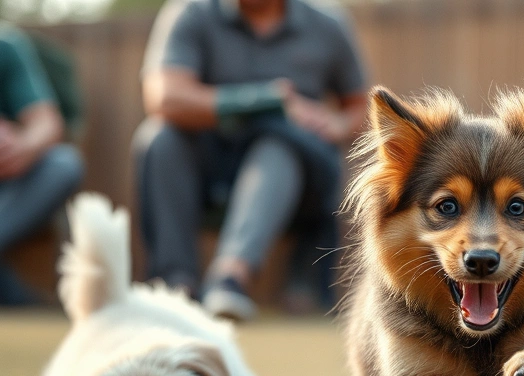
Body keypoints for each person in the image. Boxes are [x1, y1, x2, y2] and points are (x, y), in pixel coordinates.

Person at [136, 0, 367, 321]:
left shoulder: (328, 24)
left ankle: (230, 279)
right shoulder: (191, 13)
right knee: (159, 137)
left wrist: (336, 124)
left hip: (301, 179)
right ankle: (175, 284)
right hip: (209, 166)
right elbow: (163, 97)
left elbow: (361, 106)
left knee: (278, 147)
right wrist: (268, 101)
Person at [0, 0, 84, 307]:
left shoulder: (3, 47)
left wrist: (22, 147)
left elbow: (46, 122)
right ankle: (13, 296)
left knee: (63, 164)